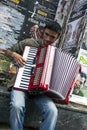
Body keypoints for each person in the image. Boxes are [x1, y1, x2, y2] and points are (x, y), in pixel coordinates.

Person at [2, 21, 62, 130]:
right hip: (21, 85)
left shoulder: (57, 54)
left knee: (52, 110)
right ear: (43, 32)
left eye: (52, 37)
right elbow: (7, 51)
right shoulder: (29, 42)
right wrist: (14, 54)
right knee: (17, 106)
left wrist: (75, 80)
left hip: (40, 91)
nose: (48, 39)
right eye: (46, 34)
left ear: (57, 37)